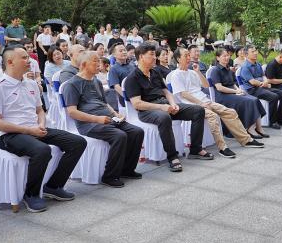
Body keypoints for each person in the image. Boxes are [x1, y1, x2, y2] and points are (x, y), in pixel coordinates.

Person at [0, 47, 87, 212]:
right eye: (24, 58)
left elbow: (40, 110)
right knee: (42, 150)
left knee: (78, 142)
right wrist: (29, 130)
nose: (30, 61)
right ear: (10, 62)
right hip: (10, 135)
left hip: (36, 129)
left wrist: (41, 123)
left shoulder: (31, 83)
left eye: (28, 57)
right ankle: (31, 194)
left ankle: (54, 186)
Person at [124, 42, 211, 172]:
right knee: (164, 117)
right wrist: (162, 108)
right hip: (147, 111)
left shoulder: (155, 72)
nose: (155, 58)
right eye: (152, 55)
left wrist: (172, 103)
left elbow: (166, 91)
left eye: (155, 55)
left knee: (198, 110)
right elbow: (137, 104)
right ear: (141, 57)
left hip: (165, 104)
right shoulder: (132, 78)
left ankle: (195, 149)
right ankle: (172, 156)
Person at [62, 51, 145, 187]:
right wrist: (97, 119)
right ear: (84, 65)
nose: (99, 64)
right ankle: (110, 176)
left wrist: (116, 114)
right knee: (119, 136)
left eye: (99, 61)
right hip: (89, 124)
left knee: (137, 132)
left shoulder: (96, 81)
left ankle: (127, 169)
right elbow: (72, 112)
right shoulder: (72, 84)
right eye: (95, 61)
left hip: (108, 118)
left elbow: (104, 103)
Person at [168, 48, 262, 157]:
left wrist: (198, 72)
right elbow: (184, 94)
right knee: (212, 116)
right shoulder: (176, 75)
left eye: (189, 55)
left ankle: (246, 140)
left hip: (205, 101)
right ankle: (222, 147)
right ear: (178, 59)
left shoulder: (192, 73)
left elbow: (206, 85)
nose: (189, 57)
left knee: (230, 112)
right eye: (186, 55)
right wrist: (201, 103)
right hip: (193, 106)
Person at [208, 47, 268, 139]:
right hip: (223, 96)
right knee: (249, 101)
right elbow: (219, 88)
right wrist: (235, 91)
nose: (227, 57)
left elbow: (232, 83)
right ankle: (250, 128)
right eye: (224, 56)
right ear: (218, 58)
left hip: (232, 93)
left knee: (254, 99)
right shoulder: (215, 70)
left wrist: (238, 90)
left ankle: (258, 128)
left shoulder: (228, 69)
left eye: (228, 55)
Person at [239, 46, 282, 130]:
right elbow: (252, 82)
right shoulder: (245, 67)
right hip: (253, 90)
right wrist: (263, 83)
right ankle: (272, 122)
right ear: (246, 55)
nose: (255, 53)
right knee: (274, 96)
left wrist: (266, 81)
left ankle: (280, 119)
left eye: (255, 50)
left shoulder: (257, 64)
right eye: (252, 51)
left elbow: (263, 75)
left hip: (262, 87)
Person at [106, 43, 135, 109]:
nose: (124, 52)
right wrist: (129, 98)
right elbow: (116, 87)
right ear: (114, 55)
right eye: (121, 51)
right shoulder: (113, 69)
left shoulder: (132, 66)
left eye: (125, 50)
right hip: (126, 101)